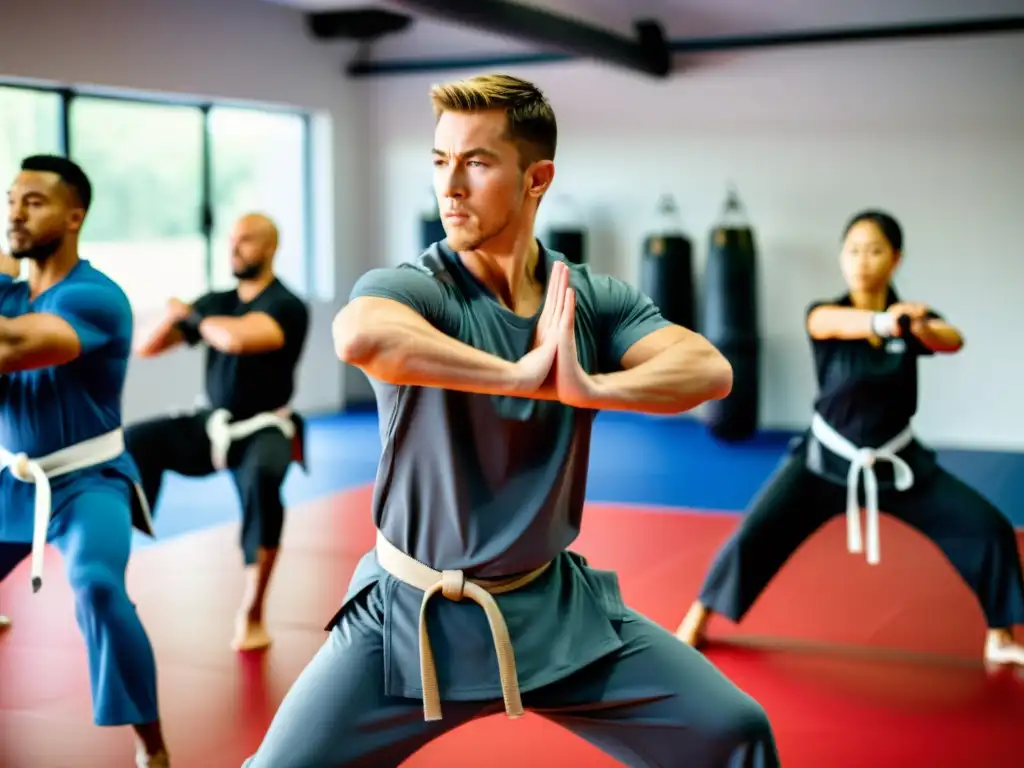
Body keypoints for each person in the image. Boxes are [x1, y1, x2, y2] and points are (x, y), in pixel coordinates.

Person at [242, 74, 780, 768]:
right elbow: (360, 338)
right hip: (411, 615)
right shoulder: (416, 287)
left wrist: (590, 389)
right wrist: (518, 375)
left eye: (477, 161)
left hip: (553, 611)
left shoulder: (587, 296)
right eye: (440, 162)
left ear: (537, 178)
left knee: (734, 730)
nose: (451, 186)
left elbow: (709, 369)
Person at [676, 210, 1024, 667]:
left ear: (895, 258)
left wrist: (915, 326)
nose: (862, 260)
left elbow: (951, 339)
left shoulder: (910, 319)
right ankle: (696, 620)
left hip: (898, 464)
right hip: (824, 461)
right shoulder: (827, 314)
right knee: (756, 533)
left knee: (988, 528)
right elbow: (829, 324)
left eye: (874, 250)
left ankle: (1001, 636)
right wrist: (887, 324)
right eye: (853, 250)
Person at [0, 155, 170, 767]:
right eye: (11, 198)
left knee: (98, 586)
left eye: (34, 201)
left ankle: (151, 744)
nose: (16, 211)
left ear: (75, 216)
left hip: (88, 480)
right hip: (11, 478)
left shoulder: (97, 297)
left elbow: (14, 345)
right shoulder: (10, 291)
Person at [125, 213, 309, 653]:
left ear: (269, 247)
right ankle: (128, 550)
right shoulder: (215, 300)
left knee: (264, 480)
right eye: (231, 241)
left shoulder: (286, 304)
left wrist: (195, 317)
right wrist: (173, 318)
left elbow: (240, 340)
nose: (234, 249)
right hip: (212, 423)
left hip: (265, 426)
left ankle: (253, 610)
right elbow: (147, 347)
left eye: (245, 241)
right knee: (137, 440)